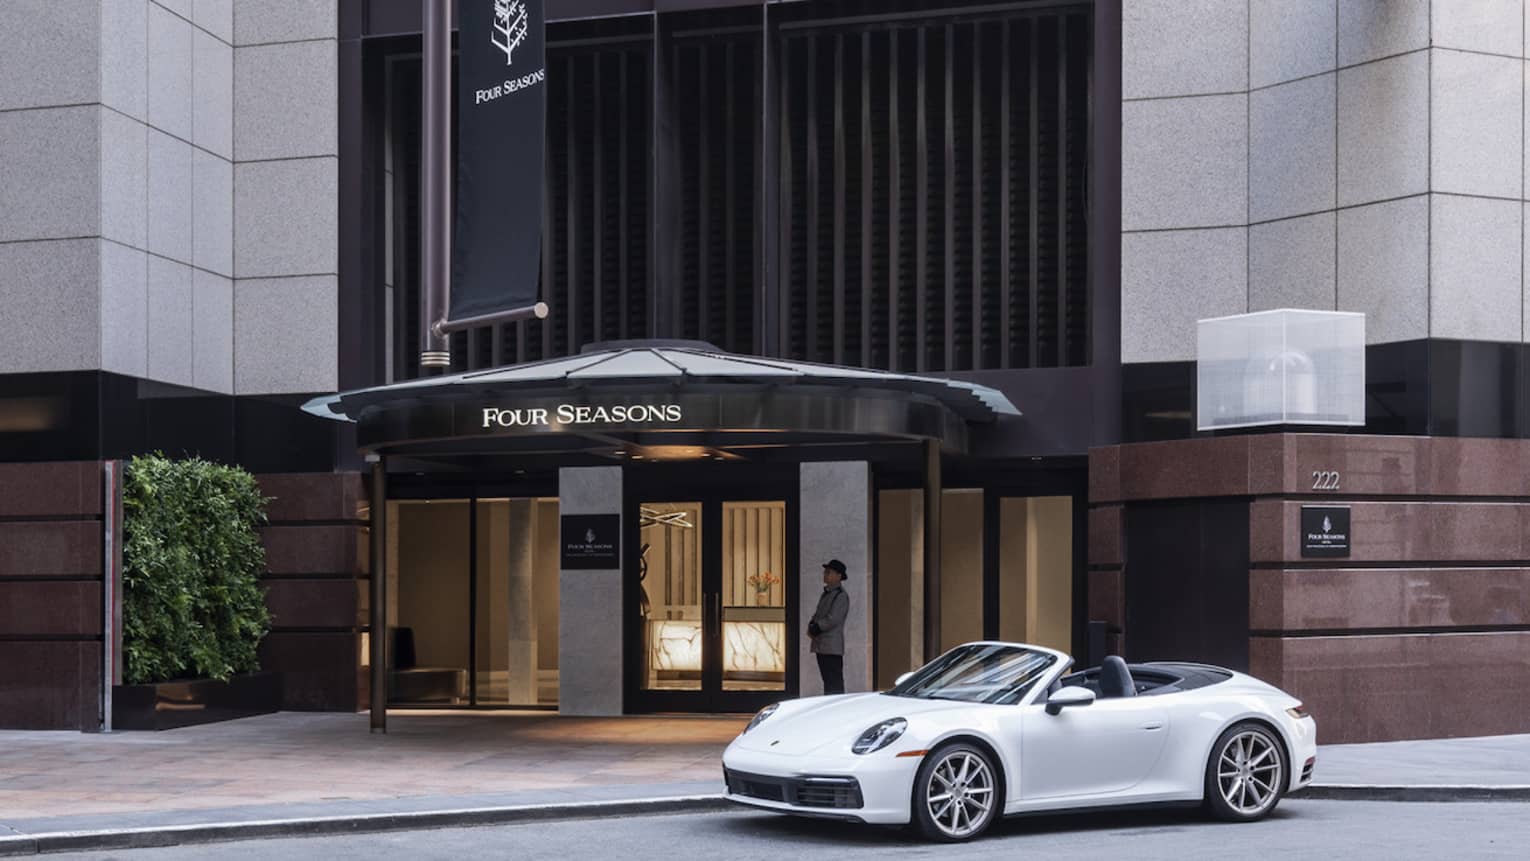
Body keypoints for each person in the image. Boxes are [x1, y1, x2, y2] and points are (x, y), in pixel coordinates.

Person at [807, 559, 850, 695]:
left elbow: (833, 619)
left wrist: (817, 627)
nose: (825, 575)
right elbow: (818, 613)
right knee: (828, 681)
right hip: (822, 645)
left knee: (834, 683)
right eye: (825, 572)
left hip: (832, 647)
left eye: (829, 572)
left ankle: (837, 711)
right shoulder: (826, 594)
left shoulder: (841, 596)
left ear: (838, 576)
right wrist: (812, 624)